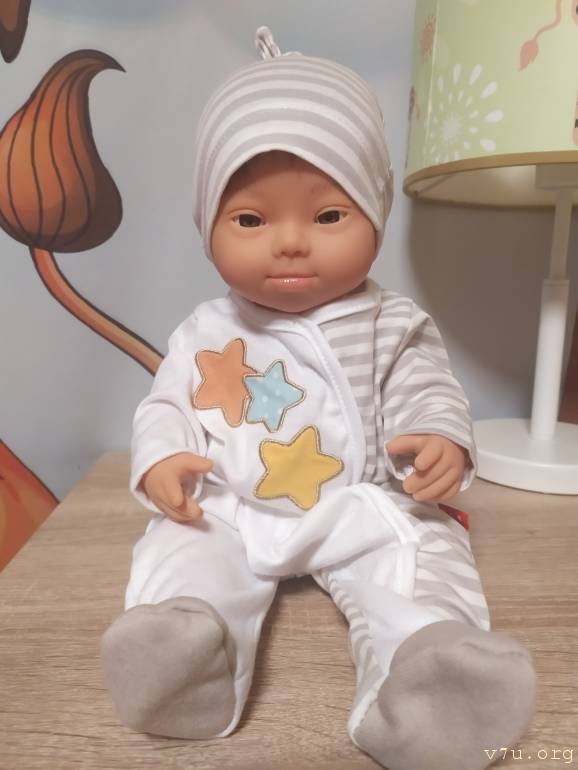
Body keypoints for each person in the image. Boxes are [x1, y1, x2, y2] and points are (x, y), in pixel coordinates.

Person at [100, 27, 536, 770]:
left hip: (359, 503)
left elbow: (426, 385)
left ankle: (420, 676)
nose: (291, 242)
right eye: (250, 219)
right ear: (208, 227)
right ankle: (190, 656)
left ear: (375, 217)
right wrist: (165, 457)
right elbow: (167, 405)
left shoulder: (391, 321)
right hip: (232, 505)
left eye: (329, 215)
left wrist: (440, 438)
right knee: (185, 548)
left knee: (419, 550)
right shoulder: (206, 331)